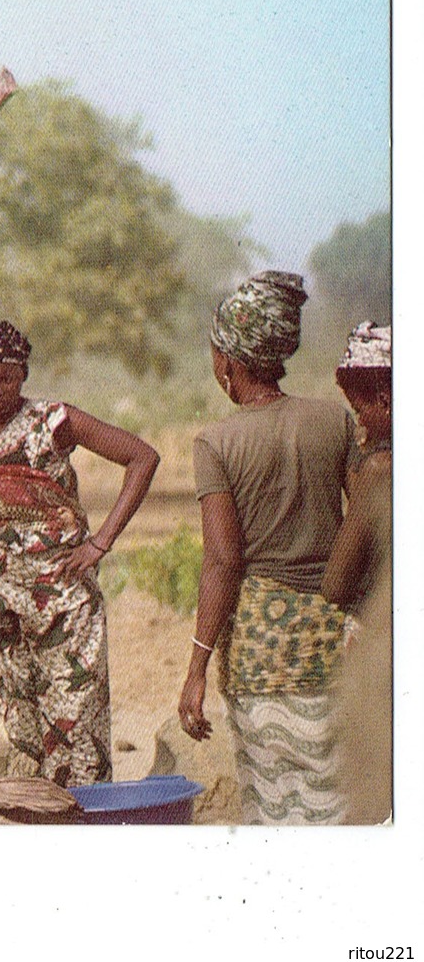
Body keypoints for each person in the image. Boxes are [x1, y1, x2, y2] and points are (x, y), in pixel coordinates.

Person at [0, 320, 159, 787]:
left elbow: (142, 456)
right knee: (19, 716)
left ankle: (86, 823)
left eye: (5, 377)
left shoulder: (53, 421)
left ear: (22, 374)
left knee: (75, 718)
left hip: (61, 601)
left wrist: (100, 542)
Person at [176, 272, 357, 825]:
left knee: (275, 805)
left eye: (215, 354)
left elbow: (224, 561)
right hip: (335, 641)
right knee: (335, 798)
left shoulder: (216, 442)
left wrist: (197, 667)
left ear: (230, 360)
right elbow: (369, 521)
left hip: (261, 653)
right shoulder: (336, 421)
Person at [321, 322, 392, 823]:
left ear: (385, 398)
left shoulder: (379, 470)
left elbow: (337, 582)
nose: (359, 421)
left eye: (361, 406)